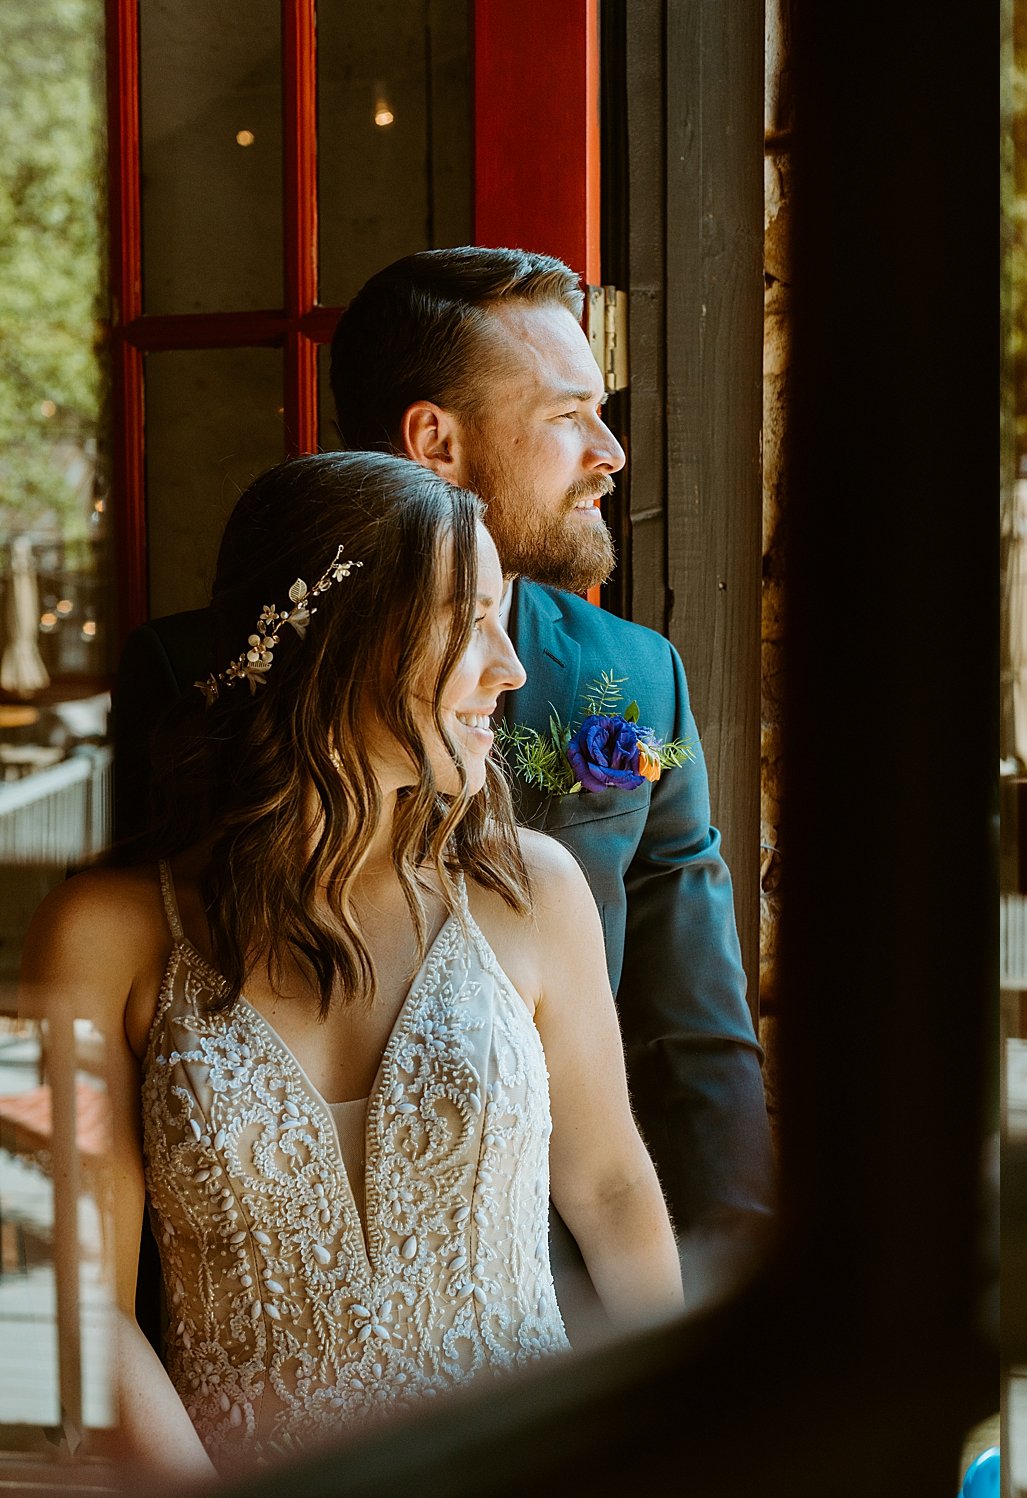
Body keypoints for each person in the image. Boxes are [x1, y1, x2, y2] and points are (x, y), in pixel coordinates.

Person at [112, 248, 774, 1298]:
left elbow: (693, 1018)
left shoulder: (633, 679)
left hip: (577, 1292)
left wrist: (736, 1289)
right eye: (568, 416)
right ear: (437, 443)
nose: (610, 452)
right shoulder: (197, 676)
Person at [27, 452, 680, 1476]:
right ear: (337, 642)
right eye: (468, 619)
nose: (507, 665)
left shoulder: (533, 893)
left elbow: (609, 1189)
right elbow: (76, 1305)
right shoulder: (103, 934)